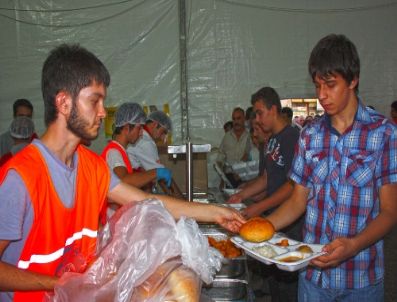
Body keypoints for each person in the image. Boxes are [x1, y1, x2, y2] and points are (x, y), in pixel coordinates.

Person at [0, 44, 245, 302]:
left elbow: (149, 203)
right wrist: (61, 283)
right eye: (95, 101)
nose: (103, 112)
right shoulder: (20, 177)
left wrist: (217, 213)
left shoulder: (92, 167)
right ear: (63, 102)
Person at [266, 34, 397, 302]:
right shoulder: (310, 135)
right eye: (317, 86)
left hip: (361, 279)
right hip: (314, 279)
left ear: (353, 80)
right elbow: (297, 200)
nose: (322, 95)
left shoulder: (383, 133)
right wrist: (261, 227)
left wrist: (353, 246)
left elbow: (389, 211)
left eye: (330, 85)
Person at [229, 87, 303, 302]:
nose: (257, 119)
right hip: (272, 217)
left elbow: (291, 187)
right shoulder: (272, 141)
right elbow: (266, 178)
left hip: (290, 220)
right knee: (274, 279)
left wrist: (257, 208)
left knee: (287, 281)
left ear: (273, 109)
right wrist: (240, 196)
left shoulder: (292, 138)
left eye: (260, 113)